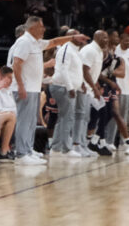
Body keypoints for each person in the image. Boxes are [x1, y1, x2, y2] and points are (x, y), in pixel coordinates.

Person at [9, 17, 86, 166]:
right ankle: (21, 154)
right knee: (25, 121)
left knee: (31, 121)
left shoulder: (36, 42)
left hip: (33, 88)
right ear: (32, 28)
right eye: (41, 27)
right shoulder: (24, 42)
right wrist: (20, 86)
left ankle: (28, 150)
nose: (44, 29)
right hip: (25, 88)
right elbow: (16, 64)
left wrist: (72, 37)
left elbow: (54, 42)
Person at [48, 31, 90, 157]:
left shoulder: (75, 50)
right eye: (76, 36)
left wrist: (81, 83)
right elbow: (63, 69)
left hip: (68, 87)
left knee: (64, 117)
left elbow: (75, 70)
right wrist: (70, 87)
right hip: (62, 87)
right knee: (68, 117)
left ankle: (55, 148)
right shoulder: (65, 48)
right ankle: (66, 149)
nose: (80, 38)